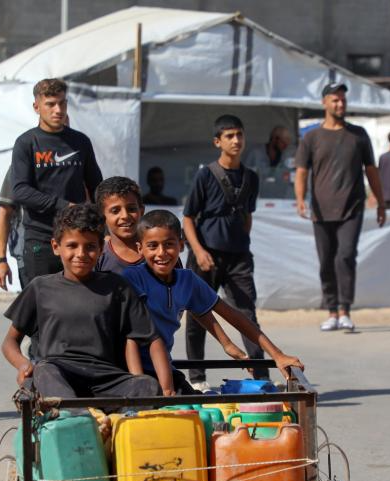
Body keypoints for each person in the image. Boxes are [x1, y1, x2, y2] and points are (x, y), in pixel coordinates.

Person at [1, 204, 173, 399]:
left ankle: (81, 415)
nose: (81, 254)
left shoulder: (118, 287)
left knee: (147, 386)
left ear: (101, 249)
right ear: (56, 247)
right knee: (44, 370)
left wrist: (166, 388)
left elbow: (151, 338)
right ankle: (80, 416)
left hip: (107, 379)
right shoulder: (40, 287)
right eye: (72, 245)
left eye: (90, 247)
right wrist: (23, 364)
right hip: (59, 375)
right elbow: (9, 342)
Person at [124, 210, 302, 394]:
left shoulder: (187, 280)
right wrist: (139, 385)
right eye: (152, 246)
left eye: (169, 244)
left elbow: (231, 315)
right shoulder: (133, 278)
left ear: (182, 245)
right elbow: (130, 338)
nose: (161, 253)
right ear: (140, 249)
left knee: (200, 409)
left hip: (163, 368)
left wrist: (277, 355)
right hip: (130, 369)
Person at [182, 114, 266, 392]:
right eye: (229, 136)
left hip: (238, 257)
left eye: (239, 134)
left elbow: (248, 216)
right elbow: (188, 217)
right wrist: (199, 251)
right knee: (198, 314)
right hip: (206, 256)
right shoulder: (206, 175)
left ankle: (260, 375)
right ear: (218, 142)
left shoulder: (251, 177)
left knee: (247, 313)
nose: (236, 140)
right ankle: (196, 378)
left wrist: (242, 242)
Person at [294, 82, 386, 333]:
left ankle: (345, 310)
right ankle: (331, 311)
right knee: (326, 261)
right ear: (324, 102)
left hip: (352, 208)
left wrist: (380, 201)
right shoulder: (311, 137)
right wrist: (301, 198)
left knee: (345, 256)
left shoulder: (359, 135)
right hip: (321, 210)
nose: (340, 104)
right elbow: (302, 171)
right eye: (335, 100)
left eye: (343, 100)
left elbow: (371, 171)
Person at [10, 79, 102, 284]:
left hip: (77, 237)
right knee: (41, 305)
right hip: (40, 238)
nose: (58, 110)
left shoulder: (80, 141)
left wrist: (101, 223)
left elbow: (97, 187)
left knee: (79, 300)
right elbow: (20, 191)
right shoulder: (27, 143)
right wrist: (64, 206)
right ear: (37, 107)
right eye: (51, 104)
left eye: (62, 103)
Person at [94, 176, 145, 275]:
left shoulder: (159, 252)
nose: (125, 216)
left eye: (131, 209)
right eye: (115, 211)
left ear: (141, 211)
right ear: (102, 216)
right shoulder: (97, 257)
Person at [0, 166, 24, 290]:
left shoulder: (76, 156)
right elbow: (4, 213)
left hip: (65, 254)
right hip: (28, 254)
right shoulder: (21, 163)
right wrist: (0, 260)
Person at [244, 125, 294, 199]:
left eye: (288, 142)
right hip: (258, 199)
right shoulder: (255, 153)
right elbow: (245, 176)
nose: (286, 145)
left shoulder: (287, 156)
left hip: (281, 199)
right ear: (274, 139)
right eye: (283, 142)